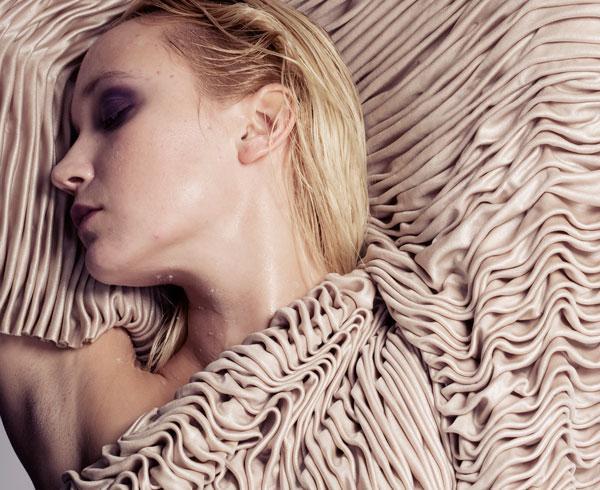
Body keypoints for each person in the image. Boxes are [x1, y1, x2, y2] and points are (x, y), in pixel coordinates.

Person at [3, 0, 369, 487]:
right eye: (72, 135)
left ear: (260, 124)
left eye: (113, 114)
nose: (63, 170)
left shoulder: (440, 344)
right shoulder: (106, 423)